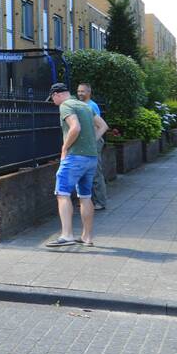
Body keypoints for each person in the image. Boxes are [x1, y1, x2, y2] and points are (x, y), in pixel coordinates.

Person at [45, 83, 108, 248]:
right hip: (91, 158)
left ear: (57, 94)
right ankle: (87, 237)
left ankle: (67, 235)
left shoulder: (66, 105)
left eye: (52, 98)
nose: (53, 102)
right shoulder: (85, 106)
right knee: (85, 197)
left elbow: (75, 127)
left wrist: (65, 148)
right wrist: (90, 143)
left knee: (62, 193)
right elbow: (103, 126)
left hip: (74, 158)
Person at [76, 82, 107, 211]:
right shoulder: (81, 105)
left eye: (83, 91)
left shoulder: (91, 106)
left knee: (95, 172)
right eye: (78, 91)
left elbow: (98, 126)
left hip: (94, 142)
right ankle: (88, 200)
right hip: (86, 143)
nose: (80, 93)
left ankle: (100, 201)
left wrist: (93, 141)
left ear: (89, 92)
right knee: (86, 172)